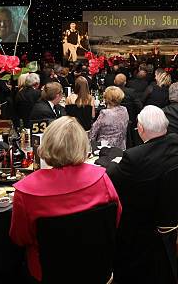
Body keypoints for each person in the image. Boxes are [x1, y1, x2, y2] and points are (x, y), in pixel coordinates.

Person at [10, 116, 121, 283]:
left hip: (46, 273)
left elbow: (19, 238)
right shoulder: (101, 179)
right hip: (96, 268)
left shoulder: (26, 193)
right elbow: (115, 220)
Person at [107, 106, 178, 284]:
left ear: (140, 129)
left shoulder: (134, 157)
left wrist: (114, 161)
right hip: (172, 212)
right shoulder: (176, 141)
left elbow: (113, 177)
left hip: (144, 224)